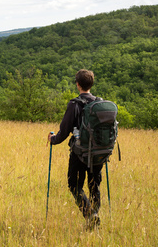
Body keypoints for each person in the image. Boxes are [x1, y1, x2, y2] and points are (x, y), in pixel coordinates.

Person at [47, 69, 102, 229]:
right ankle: (94, 217)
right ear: (91, 84)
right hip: (98, 152)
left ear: (78, 85)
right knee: (94, 185)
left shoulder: (74, 104)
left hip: (80, 153)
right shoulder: (99, 104)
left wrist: (53, 140)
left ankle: (91, 216)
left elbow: (64, 131)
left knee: (74, 185)